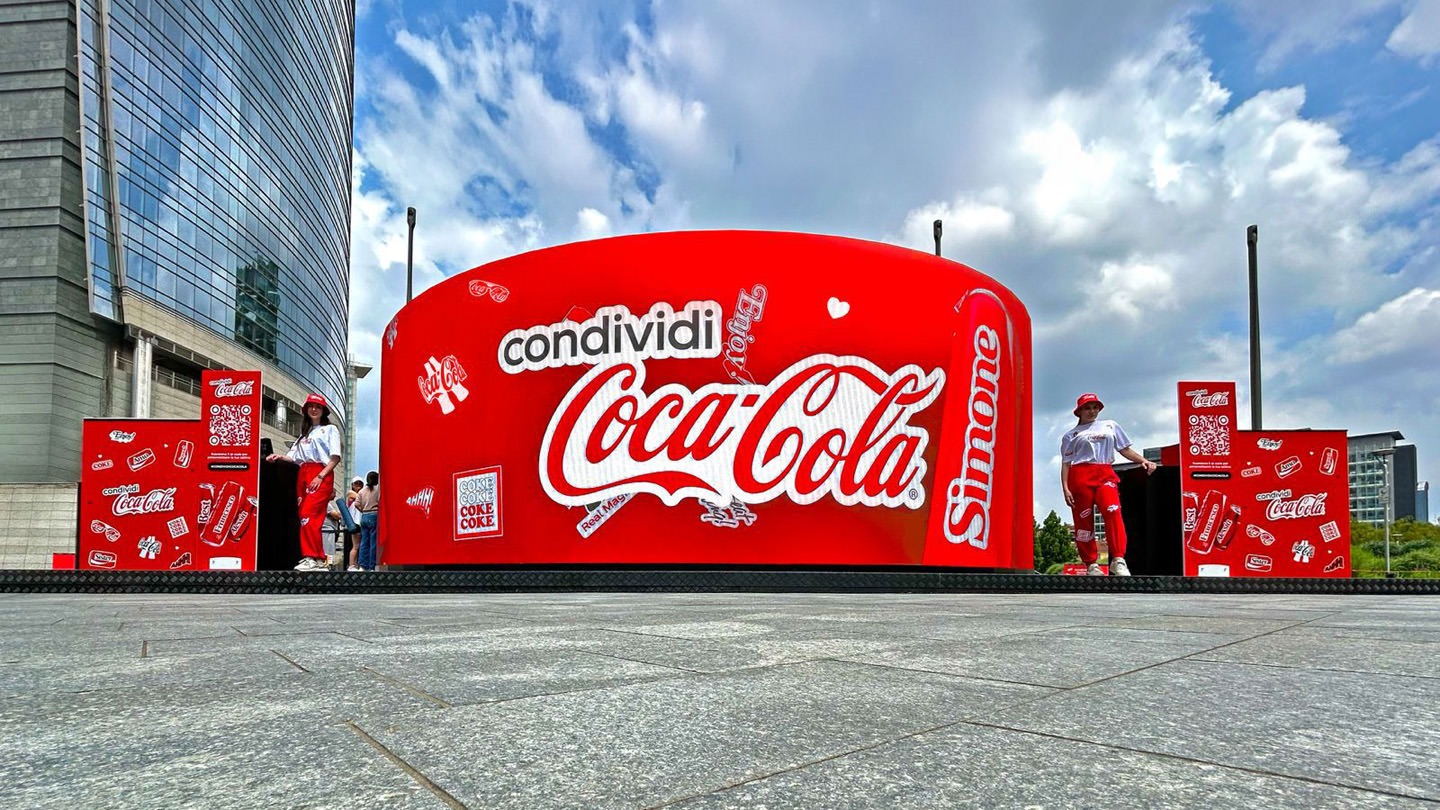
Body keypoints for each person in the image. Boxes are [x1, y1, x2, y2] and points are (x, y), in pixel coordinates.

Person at [1060, 393, 1156, 577]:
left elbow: (1124, 449)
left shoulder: (1110, 425)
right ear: (1079, 411)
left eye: (1095, 407)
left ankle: (1118, 559)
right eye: (1087, 408)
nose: (1092, 411)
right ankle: (1091, 564)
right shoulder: (1070, 435)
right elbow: (1066, 463)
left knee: (1113, 511)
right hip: (1079, 476)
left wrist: (1143, 461)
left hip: (1105, 473)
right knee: (1083, 520)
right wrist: (1065, 488)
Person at [266, 393, 341, 571]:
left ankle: (313, 557)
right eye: (311, 406)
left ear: (323, 411)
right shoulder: (303, 435)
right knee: (304, 517)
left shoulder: (330, 429)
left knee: (309, 515)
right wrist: (278, 456)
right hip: (303, 474)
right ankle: (316, 558)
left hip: (320, 473)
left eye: (318, 407)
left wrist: (320, 476)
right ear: (306, 410)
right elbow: (293, 457)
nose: (314, 409)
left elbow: (335, 457)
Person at [355, 470, 380, 571]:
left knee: (364, 542)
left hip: (364, 516)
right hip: (374, 515)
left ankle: (362, 566)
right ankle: (371, 566)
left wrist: (363, 510)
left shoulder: (361, 491)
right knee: (373, 542)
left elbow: (356, 504)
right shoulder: (378, 489)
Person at [345, 477, 363, 571]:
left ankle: (356, 564)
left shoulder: (361, 494)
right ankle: (351, 565)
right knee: (356, 546)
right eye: (356, 483)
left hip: (360, 522)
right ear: (352, 485)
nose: (358, 485)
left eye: (360, 483)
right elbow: (360, 498)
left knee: (360, 545)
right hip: (354, 523)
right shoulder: (350, 493)